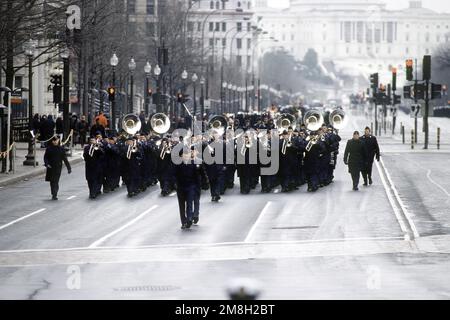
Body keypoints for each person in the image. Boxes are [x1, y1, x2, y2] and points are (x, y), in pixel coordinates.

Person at [173, 147, 209, 229]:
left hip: (191, 186)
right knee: (181, 205)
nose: (186, 156)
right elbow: (173, 175)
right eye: (184, 154)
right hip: (181, 187)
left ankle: (189, 219)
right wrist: (175, 184)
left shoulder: (193, 163)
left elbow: (197, 175)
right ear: (181, 156)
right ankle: (183, 221)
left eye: (188, 154)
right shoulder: (177, 164)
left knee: (189, 203)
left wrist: (201, 184)